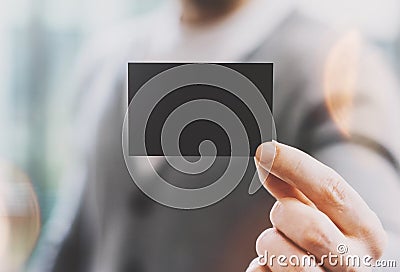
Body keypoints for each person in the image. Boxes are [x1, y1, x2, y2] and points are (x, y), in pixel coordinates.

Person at [32, 0, 400, 271]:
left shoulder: (336, 70)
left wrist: (362, 260)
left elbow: (380, 241)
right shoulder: (105, 61)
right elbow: (72, 244)